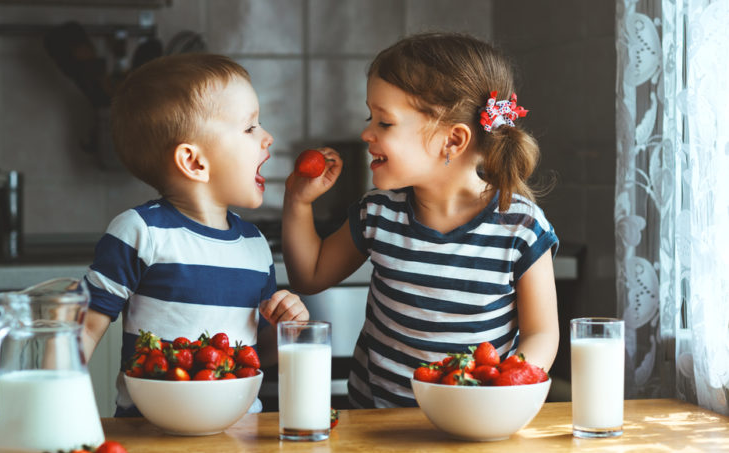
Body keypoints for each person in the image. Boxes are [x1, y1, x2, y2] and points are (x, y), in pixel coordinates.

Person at [282, 32, 559, 408]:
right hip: (376, 426)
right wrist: (298, 202)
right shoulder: (378, 213)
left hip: (471, 422)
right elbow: (309, 275)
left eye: (385, 122)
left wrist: (504, 391)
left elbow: (542, 334)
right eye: (370, 117)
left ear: (453, 140)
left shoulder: (520, 228)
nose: (366, 133)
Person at [81, 53, 308, 417]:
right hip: (150, 437)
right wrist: (52, 406)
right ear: (194, 162)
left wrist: (288, 333)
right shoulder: (140, 233)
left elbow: (254, 354)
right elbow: (85, 330)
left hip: (240, 437)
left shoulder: (255, 246)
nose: (268, 138)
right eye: (250, 128)